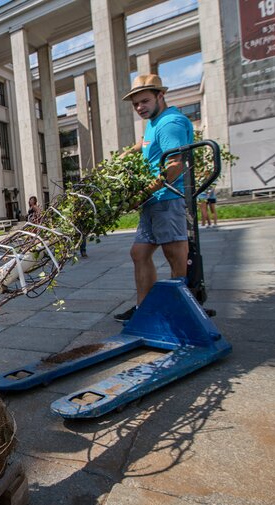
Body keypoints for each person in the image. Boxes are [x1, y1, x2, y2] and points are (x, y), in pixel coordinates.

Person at [114, 74, 194, 322]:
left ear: (161, 96)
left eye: (145, 101)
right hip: (153, 200)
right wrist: (128, 152)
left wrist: (144, 192)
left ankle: (182, 310)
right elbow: (147, 141)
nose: (140, 107)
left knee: (175, 256)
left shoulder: (171, 123)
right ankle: (144, 309)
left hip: (168, 198)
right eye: (136, 104)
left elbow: (175, 164)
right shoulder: (154, 121)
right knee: (139, 253)